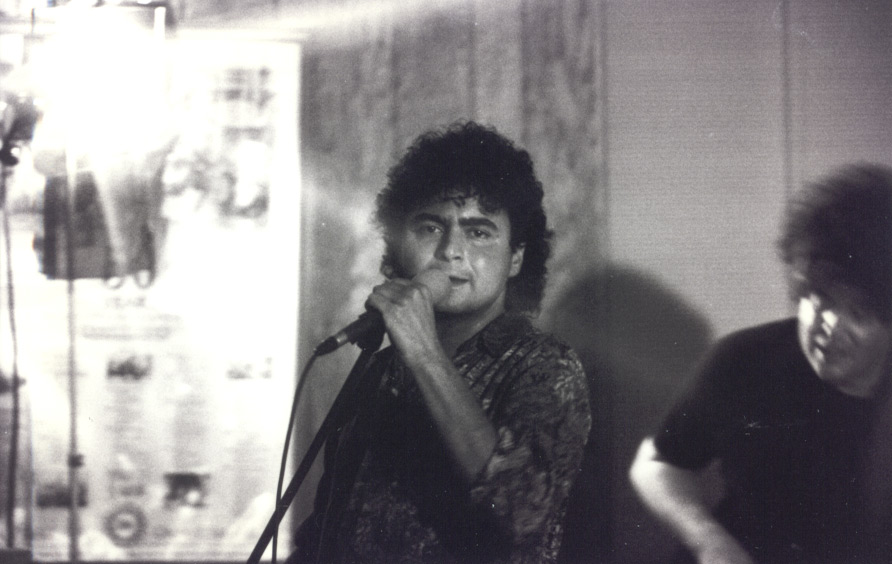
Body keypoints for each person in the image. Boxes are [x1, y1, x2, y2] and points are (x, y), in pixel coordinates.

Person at [287, 121, 592, 564]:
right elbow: (328, 526)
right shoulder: (380, 368)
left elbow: (520, 513)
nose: (450, 250)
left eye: (478, 232)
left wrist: (425, 355)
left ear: (516, 258)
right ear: (398, 246)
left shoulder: (545, 366)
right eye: (431, 228)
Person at [629, 163, 892, 564]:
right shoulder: (744, 359)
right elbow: (655, 464)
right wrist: (708, 540)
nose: (828, 327)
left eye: (856, 311)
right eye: (819, 298)